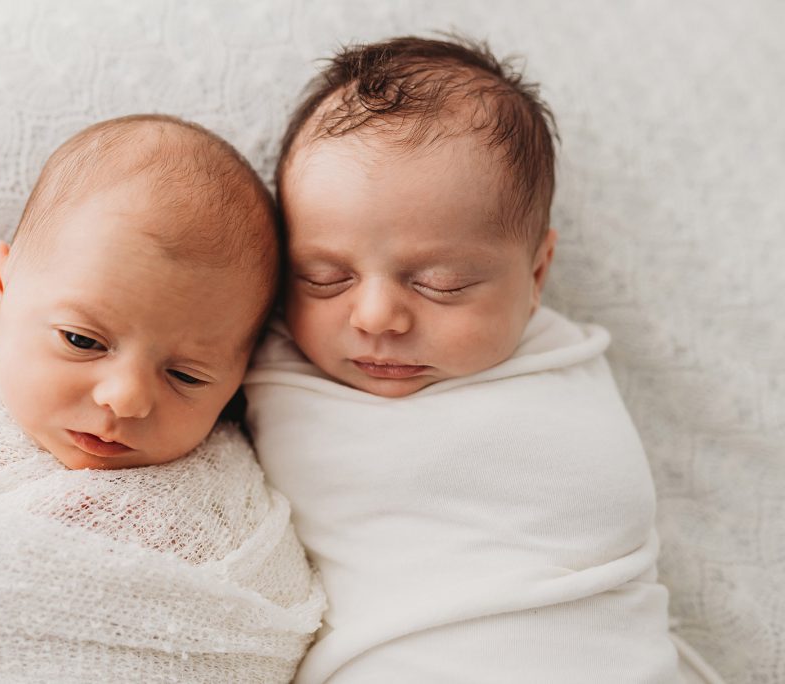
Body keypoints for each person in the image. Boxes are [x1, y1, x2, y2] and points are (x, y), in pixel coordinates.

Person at [0, 114, 324, 684]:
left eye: (186, 376)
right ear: (1, 291)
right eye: (82, 341)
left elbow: (260, 635)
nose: (125, 398)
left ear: (240, 376)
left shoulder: (224, 507)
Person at [244, 37, 692, 683]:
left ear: (537, 274)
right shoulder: (269, 355)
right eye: (324, 277)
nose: (375, 318)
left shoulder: (557, 360)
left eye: (442, 284)